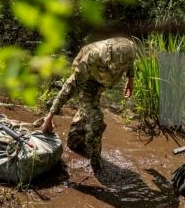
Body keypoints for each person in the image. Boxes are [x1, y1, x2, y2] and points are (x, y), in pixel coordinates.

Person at [40, 37, 137, 172]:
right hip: (87, 80)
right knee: (97, 120)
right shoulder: (92, 58)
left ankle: (77, 138)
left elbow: (130, 62)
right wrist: (49, 117)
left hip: (101, 82)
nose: (119, 67)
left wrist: (130, 79)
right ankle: (96, 162)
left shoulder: (129, 48)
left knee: (84, 122)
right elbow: (68, 88)